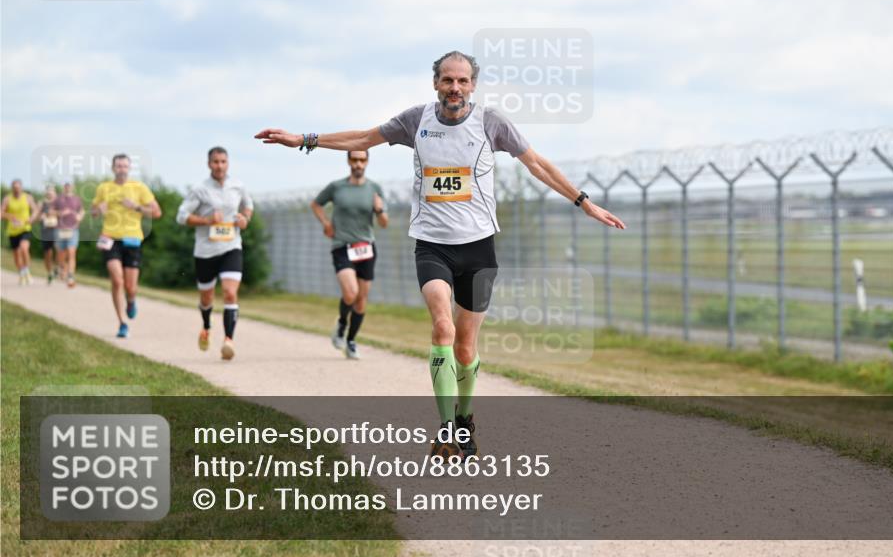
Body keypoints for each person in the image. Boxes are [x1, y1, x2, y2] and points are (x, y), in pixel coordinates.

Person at [256, 50, 626, 460]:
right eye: (448, 80)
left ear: (473, 85)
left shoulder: (491, 123)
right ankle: (446, 429)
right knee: (442, 329)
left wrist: (584, 203)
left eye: (463, 81)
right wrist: (303, 140)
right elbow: (362, 138)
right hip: (432, 246)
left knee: (466, 349)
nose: (455, 88)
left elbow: (536, 164)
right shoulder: (416, 120)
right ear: (435, 83)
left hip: (479, 248)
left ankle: (465, 420)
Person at [176, 146, 254, 361]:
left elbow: (248, 206)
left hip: (231, 246)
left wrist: (244, 219)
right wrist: (206, 220)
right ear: (209, 164)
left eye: (223, 162)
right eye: (215, 162)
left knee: (229, 293)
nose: (219, 166)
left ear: (228, 163)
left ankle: (228, 340)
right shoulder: (200, 189)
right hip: (205, 251)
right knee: (207, 297)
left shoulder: (238, 186)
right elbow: (181, 216)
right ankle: (206, 326)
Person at [310, 150, 389, 360]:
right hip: (342, 246)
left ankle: (351, 341)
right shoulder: (337, 187)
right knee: (351, 293)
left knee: (361, 300)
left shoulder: (374, 188)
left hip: (366, 247)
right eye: (354, 159)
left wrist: (380, 210)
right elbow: (316, 204)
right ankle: (342, 323)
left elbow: (384, 223)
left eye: (362, 160)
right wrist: (326, 223)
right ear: (348, 161)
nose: (358, 163)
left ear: (367, 162)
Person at [91, 154, 162, 338]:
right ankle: (122, 323)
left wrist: (137, 207)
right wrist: (99, 209)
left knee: (131, 287)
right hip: (110, 238)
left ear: (129, 168)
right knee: (117, 280)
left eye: (124, 166)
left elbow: (157, 212)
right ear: (113, 168)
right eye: (118, 166)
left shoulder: (139, 188)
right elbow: (93, 212)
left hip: (132, 240)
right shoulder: (104, 188)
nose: (121, 169)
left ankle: (131, 301)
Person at [2, 179, 39, 285]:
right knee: (16, 255)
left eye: (18, 188)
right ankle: (22, 273)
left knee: (24, 248)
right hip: (12, 231)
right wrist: (10, 216)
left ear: (21, 188)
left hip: (25, 228)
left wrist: (31, 218)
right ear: (12, 188)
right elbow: (1, 213)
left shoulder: (27, 197)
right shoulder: (7, 199)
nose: (16, 190)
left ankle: (27, 270)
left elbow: (35, 210)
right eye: (15, 188)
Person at [54, 181, 84, 288]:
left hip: (73, 229)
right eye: (66, 186)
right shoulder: (58, 199)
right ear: (64, 187)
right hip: (60, 229)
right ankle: (61, 267)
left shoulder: (77, 199)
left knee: (72, 252)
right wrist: (60, 213)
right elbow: (51, 212)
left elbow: (82, 211)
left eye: (70, 186)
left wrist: (80, 216)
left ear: (73, 187)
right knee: (61, 254)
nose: (68, 188)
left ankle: (70, 276)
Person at [39, 185, 60, 284]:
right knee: (48, 254)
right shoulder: (42, 203)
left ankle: (57, 267)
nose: (50, 193)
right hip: (45, 231)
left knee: (58, 248)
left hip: (56, 230)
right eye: (48, 191)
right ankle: (50, 272)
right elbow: (38, 215)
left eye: (52, 191)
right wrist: (42, 216)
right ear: (46, 193)